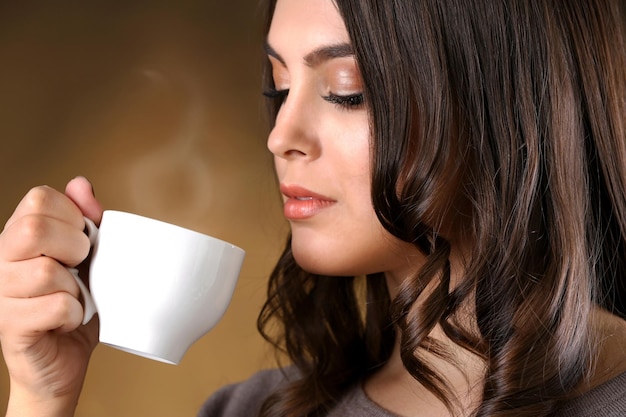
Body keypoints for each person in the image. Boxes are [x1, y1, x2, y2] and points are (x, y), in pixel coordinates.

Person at [1, 0, 625, 416]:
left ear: (500, 101)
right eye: (278, 87)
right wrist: (39, 395)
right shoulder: (253, 411)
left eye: (345, 90)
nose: (280, 135)